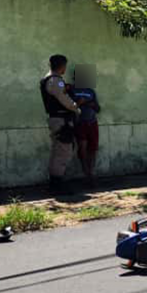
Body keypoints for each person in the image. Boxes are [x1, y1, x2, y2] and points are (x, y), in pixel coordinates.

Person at [40, 55, 81, 193]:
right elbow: (65, 100)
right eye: (65, 66)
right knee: (63, 151)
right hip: (61, 120)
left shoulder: (49, 79)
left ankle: (55, 183)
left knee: (59, 150)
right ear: (62, 66)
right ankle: (57, 184)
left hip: (57, 119)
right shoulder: (56, 81)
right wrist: (76, 106)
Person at [70, 66, 101, 187]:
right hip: (80, 122)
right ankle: (86, 174)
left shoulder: (91, 91)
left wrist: (88, 103)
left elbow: (98, 108)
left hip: (92, 122)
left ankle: (91, 173)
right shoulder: (72, 90)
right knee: (82, 147)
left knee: (92, 149)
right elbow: (70, 105)